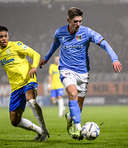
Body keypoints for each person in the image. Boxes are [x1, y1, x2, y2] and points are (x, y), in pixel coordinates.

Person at [39, 7, 122, 140]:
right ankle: (78, 129)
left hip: (83, 72)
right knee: (73, 94)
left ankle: (70, 117)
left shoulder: (87, 32)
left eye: (80, 21)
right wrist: (46, 58)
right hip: (66, 69)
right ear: (68, 20)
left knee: (78, 105)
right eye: (75, 21)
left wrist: (115, 59)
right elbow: (55, 45)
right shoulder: (59, 32)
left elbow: (104, 43)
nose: (78, 24)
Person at [0, 26, 49, 142]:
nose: (4, 39)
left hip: (28, 79)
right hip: (15, 87)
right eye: (1, 37)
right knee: (14, 121)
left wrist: (34, 67)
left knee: (31, 101)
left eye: (6, 36)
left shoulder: (16, 45)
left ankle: (44, 131)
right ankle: (39, 131)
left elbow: (35, 54)